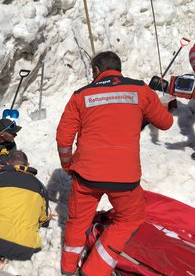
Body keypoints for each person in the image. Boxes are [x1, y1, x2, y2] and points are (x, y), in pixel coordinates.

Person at [56, 51, 173, 276]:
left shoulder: (81, 95)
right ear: (118, 69)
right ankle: (94, 270)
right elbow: (166, 123)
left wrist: (67, 164)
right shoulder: (140, 90)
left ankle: (68, 269)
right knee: (131, 218)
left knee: (78, 222)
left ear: (97, 71)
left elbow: (63, 137)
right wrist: (156, 106)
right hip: (124, 179)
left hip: (86, 175)